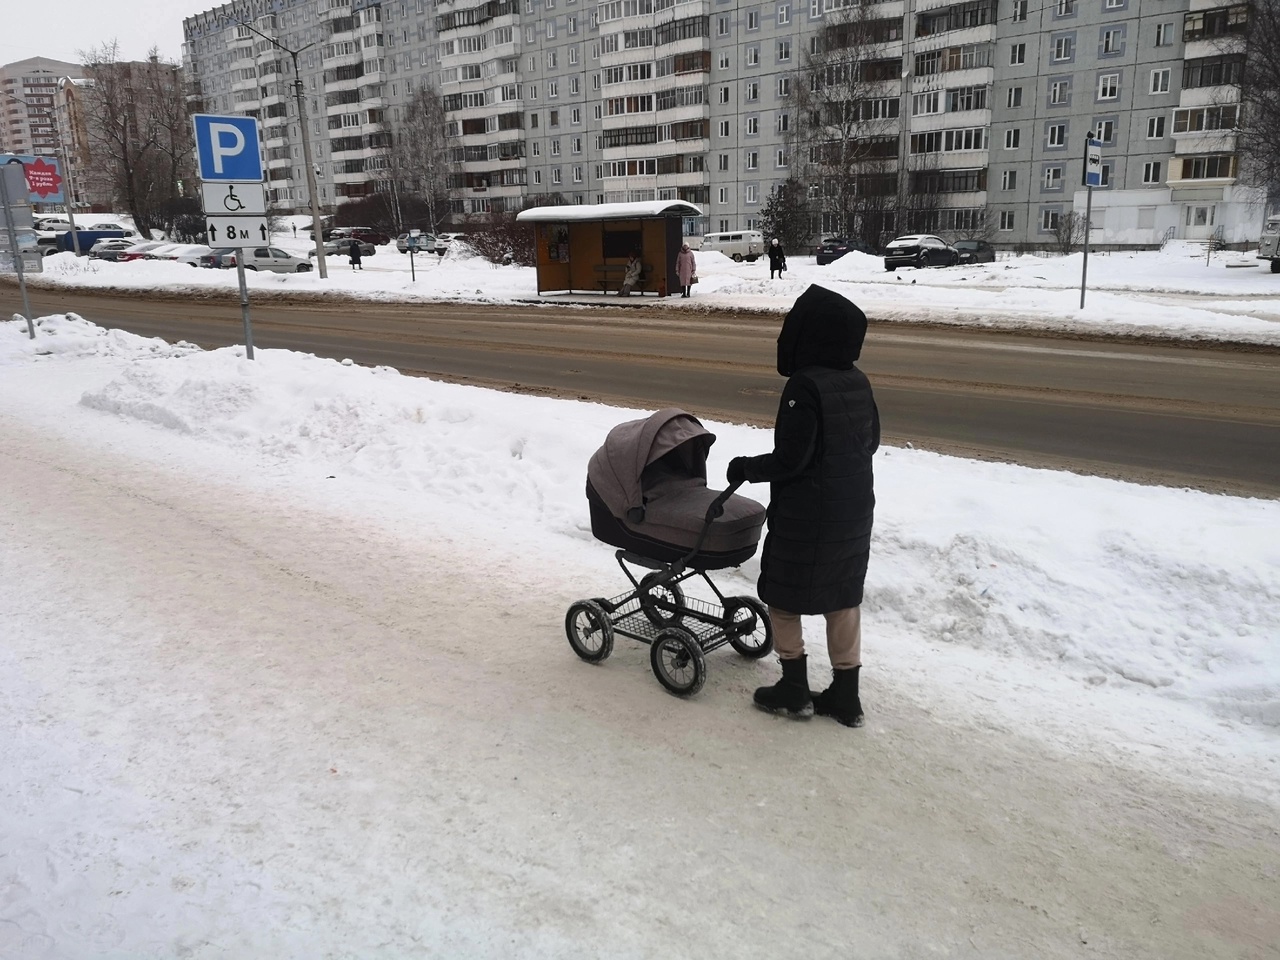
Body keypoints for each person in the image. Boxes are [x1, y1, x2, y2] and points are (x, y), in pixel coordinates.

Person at [726, 284, 879, 728]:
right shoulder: (857, 380)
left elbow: (791, 460)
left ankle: (793, 687)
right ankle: (846, 695)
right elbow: (870, 441)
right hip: (853, 508)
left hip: (809, 515)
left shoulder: (805, 385)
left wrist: (745, 467)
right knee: (841, 596)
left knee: (782, 595)